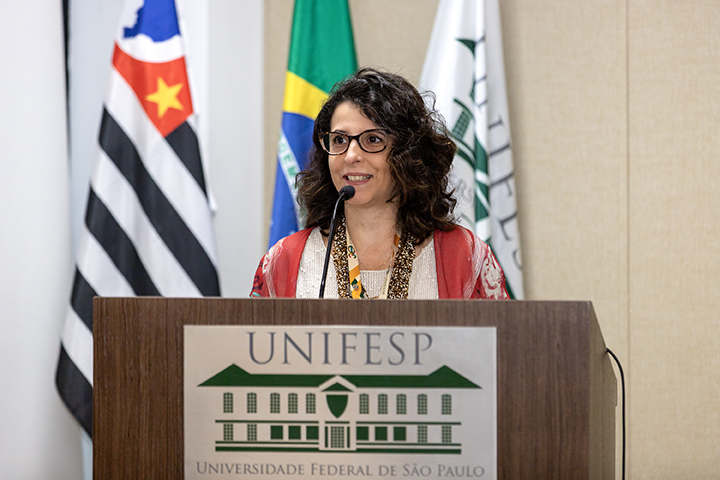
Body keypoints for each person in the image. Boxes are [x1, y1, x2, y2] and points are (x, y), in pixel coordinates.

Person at [251, 68, 508, 300]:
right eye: (339, 140)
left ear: (409, 154)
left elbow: (499, 349)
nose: (351, 156)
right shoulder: (283, 260)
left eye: (373, 140)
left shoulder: (466, 256)